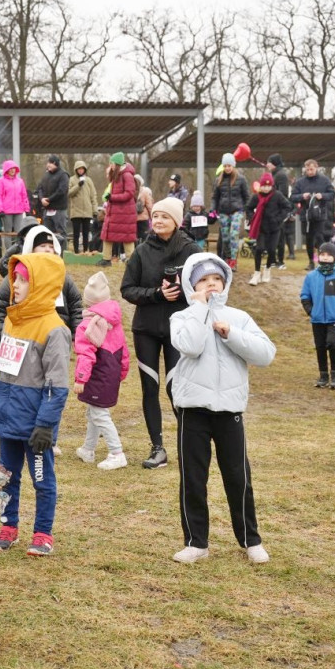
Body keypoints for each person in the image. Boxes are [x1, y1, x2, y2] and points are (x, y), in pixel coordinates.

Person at [169, 253, 276, 564]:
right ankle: (196, 542)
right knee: (193, 477)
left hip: (230, 410)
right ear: (191, 285)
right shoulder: (182, 317)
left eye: (216, 278)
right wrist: (200, 310)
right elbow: (190, 345)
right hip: (193, 409)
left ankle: (250, 540)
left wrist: (231, 334)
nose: (211, 284)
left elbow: (266, 353)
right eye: (203, 280)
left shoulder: (239, 317)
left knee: (238, 476)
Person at [0, 253, 71, 556]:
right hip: (8, 419)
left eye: (23, 280)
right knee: (6, 477)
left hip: (35, 427)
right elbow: (1, 367)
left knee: (42, 480)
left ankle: (43, 533)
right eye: (15, 278)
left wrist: (46, 425)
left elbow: (57, 386)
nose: (15, 284)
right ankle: (9, 526)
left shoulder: (54, 330)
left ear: (42, 286)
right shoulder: (12, 319)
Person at [121, 197, 201, 469]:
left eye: (164, 217)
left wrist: (184, 293)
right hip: (145, 330)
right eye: (154, 216)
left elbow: (207, 288)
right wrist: (156, 294)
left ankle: (188, 445)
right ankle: (158, 448)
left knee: (175, 388)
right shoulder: (142, 251)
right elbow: (127, 289)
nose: (157, 221)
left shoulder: (191, 251)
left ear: (176, 221)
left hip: (177, 330)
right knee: (150, 387)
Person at [73, 271, 130, 471]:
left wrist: (80, 379)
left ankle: (117, 452)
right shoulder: (114, 320)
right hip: (111, 374)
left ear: (87, 301)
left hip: (96, 376)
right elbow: (124, 350)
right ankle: (88, 449)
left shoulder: (87, 325)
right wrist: (121, 373)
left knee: (99, 414)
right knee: (94, 412)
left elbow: (85, 355)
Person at [0, 225, 83, 343]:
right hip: (23, 340)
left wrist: (77, 336)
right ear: (31, 249)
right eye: (42, 246)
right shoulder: (17, 276)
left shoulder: (63, 278)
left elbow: (76, 306)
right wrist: (1, 336)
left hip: (56, 339)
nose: (47, 250)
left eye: (51, 247)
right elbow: (0, 306)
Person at [299, 243, 335, 390]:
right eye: (323, 254)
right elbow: (305, 295)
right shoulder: (311, 276)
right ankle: (323, 375)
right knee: (320, 346)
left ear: (334, 257)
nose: (325, 257)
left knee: (333, 343)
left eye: (329, 255)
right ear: (318, 256)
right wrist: (311, 310)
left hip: (334, 318)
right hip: (317, 319)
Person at [245, 172, 292, 286]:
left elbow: (287, 206)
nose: (266, 188)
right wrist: (252, 218)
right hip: (261, 228)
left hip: (275, 228)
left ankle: (267, 269)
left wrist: (279, 218)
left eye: (268, 186)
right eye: (264, 186)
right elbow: (248, 208)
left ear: (272, 186)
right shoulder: (256, 196)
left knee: (271, 250)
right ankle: (256, 273)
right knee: (259, 249)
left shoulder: (278, 195)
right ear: (260, 186)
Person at [290, 159, 335, 271]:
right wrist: (302, 196)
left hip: (320, 214)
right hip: (306, 215)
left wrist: (322, 196)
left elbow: (332, 194)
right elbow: (292, 197)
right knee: (309, 239)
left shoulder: (324, 180)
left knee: (320, 237)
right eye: (307, 169)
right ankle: (311, 261)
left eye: (312, 169)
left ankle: (322, 262)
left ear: (317, 167)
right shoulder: (300, 182)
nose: (309, 171)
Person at [98, 152, 138, 266]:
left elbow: (129, 193)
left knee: (127, 237)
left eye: (112, 163)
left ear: (117, 164)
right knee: (107, 234)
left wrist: (112, 197)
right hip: (115, 211)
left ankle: (132, 261)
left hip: (125, 212)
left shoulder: (127, 175)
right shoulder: (117, 175)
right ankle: (106, 259)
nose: (111, 166)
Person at [211, 152, 250, 272]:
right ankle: (226, 259)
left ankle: (233, 261)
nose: (227, 168)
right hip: (223, 212)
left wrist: (247, 212)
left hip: (237, 211)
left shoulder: (241, 179)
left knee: (234, 235)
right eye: (225, 165)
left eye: (229, 165)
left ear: (233, 166)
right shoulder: (219, 180)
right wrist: (213, 209)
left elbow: (246, 197)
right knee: (226, 238)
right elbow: (215, 197)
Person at [0, 159, 32, 252]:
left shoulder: (20, 181)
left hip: (19, 210)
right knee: (7, 232)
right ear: (6, 169)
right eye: (11, 168)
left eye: (14, 168)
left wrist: (27, 208)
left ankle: (18, 250)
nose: (13, 170)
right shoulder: (1, 181)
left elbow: (24, 195)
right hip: (6, 211)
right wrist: (0, 209)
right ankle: (8, 252)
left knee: (18, 232)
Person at [266, 153, 294, 266]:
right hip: (272, 210)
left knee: (280, 237)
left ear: (274, 163)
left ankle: (280, 261)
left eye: (269, 162)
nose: (267, 164)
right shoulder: (273, 175)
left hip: (279, 211)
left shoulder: (281, 175)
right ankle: (272, 260)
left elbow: (283, 194)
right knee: (272, 236)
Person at [37, 155, 70, 243]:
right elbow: (39, 188)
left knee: (61, 233)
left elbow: (62, 190)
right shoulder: (46, 175)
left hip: (59, 209)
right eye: (47, 163)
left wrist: (49, 199)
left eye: (50, 163)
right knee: (47, 234)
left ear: (55, 163)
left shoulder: (63, 175)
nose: (48, 165)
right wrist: (42, 199)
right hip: (47, 209)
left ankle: (62, 254)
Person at [68, 160, 98, 254]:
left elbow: (93, 195)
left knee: (86, 233)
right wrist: (78, 185)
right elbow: (69, 193)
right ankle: (76, 251)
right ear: (76, 170)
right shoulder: (72, 180)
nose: (81, 170)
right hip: (76, 212)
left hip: (87, 212)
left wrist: (95, 210)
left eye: (82, 169)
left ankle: (85, 251)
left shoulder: (89, 180)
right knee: (76, 234)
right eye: (79, 169)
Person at [134, 174, 154, 243]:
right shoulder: (145, 191)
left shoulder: (131, 191)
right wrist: (152, 218)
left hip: (132, 219)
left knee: (134, 238)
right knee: (145, 238)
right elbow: (149, 206)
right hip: (143, 219)